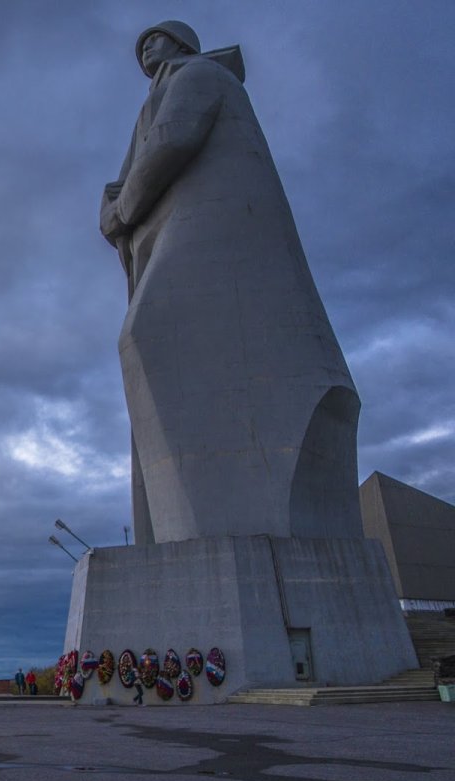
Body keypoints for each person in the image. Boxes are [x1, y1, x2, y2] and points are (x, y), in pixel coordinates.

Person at [99, 21, 360, 543]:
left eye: (154, 39)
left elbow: (174, 139)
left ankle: (206, 525)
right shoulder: (158, 93)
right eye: (141, 43)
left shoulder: (200, 75)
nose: (145, 48)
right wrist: (114, 210)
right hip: (177, 224)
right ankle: (181, 530)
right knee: (146, 337)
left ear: (181, 43)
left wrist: (122, 210)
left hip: (216, 226)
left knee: (148, 332)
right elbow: (134, 165)